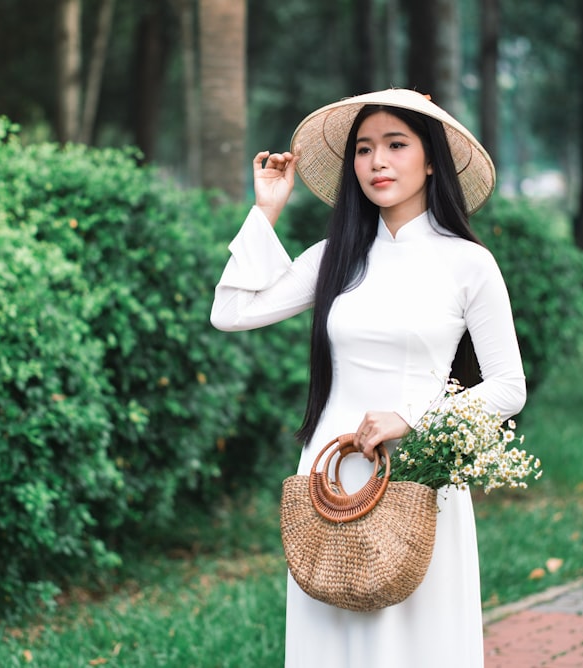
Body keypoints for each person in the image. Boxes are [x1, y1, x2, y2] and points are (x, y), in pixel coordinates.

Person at [210, 89, 526, 668]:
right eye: (363, 149)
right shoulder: (335, 256)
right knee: (330, 645)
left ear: (431, 159)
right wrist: (266, 210)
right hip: (329, 477)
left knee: (418, 646)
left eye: (395, 145)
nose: (377, 161)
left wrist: (414, 421)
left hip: (418, 476)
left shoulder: (467, 263)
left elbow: (508, 385)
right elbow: (230, 313)